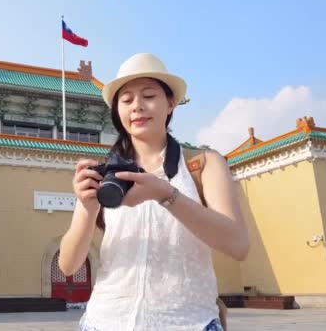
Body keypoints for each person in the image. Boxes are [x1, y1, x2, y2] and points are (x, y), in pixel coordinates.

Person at [58, 53, 249, 331]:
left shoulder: (202, 164)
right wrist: (87, 209)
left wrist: (166, 195)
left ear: (170, 103)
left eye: (149, 95)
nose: (137, 107)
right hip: (105, 321)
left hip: (188, 322)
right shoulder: (106, 175)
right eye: (126, 100)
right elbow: (68, 266)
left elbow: (238, 245)